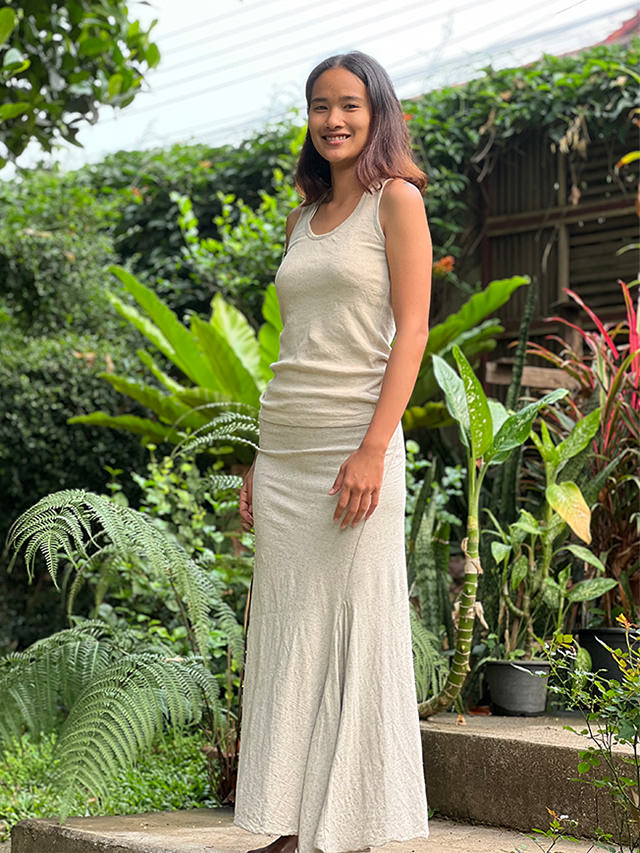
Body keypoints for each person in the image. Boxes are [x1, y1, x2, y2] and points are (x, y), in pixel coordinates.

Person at [234, 49, 432, 853]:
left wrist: (373, 448)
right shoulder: (300, 220)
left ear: (376, 112)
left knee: (356, 629)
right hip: (287, 446)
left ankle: (349, 828)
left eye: (349, 104)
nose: (333, 119)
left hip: (357, 444)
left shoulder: (397, 201)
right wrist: (260, 455)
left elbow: (412, 331)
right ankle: (289, 824)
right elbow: (295, 343)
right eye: (320, 105)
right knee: (289, 634)